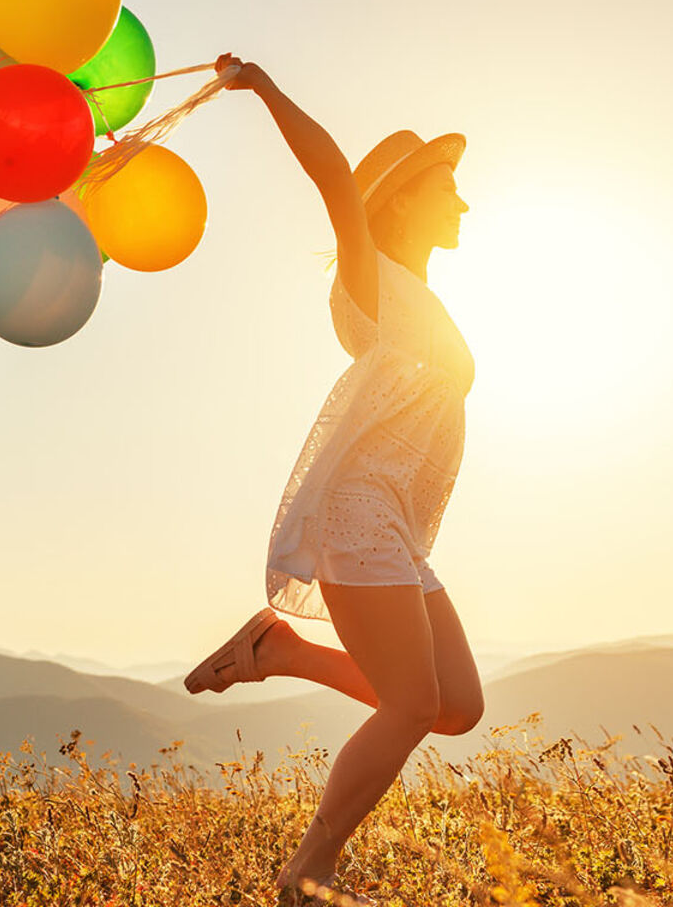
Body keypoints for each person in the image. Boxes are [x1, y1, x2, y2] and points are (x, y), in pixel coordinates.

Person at [182, 53, 484, 907]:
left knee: (454, 705)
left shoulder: (421, 294)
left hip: (398, 527)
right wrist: (265, 89)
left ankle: (280, 651)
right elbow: (332, 179)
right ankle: (307, 874)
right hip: (358, 515)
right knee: (411, 705)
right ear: (400, 201)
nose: (463, 203)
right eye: (447, 188)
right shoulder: (373, 280)